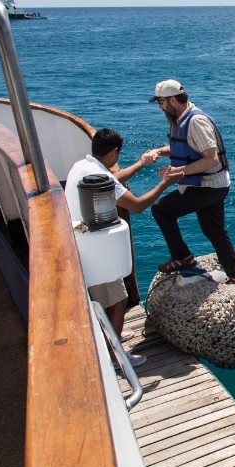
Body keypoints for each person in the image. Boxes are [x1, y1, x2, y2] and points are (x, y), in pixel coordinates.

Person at [65, 128, 181, 367]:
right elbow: (137, 205)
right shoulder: (103, 178)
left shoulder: (82, 167)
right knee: (119, 298)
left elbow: (113, 180)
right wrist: (165, 184)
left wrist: (140, 164)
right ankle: (116, 355)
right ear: (115, 152)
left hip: (78, 242)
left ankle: (111, 334)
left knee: (104, 297)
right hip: (97, 251)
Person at [143, 79, 235, 284]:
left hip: (205, 186)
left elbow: (211, 158)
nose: (160, 107)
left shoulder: (196, 121)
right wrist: (158, 152)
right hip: (214, 185)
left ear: (172, 100)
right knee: (214, 230)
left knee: (161, 210)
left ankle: (183, 259)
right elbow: (185, 147)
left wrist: (177, 172)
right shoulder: (183, 119)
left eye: (161, 102)